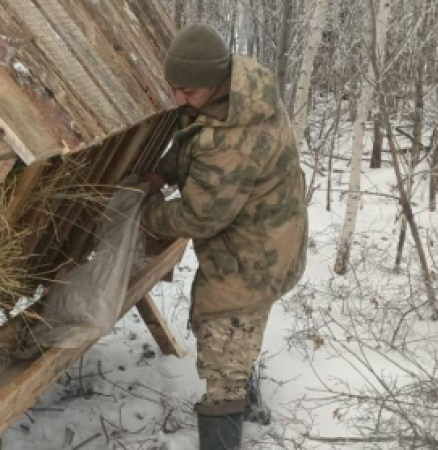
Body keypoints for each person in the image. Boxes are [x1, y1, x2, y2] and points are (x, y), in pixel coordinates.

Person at [141, 23, 309, 450]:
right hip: (269, 236)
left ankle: (227, 423)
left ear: (214, 82)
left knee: (224, 337)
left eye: (188, 92)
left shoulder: (236, 137)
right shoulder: (233, 93)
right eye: (174, 88)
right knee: (237, 330)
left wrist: (147, 215)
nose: (179, 99)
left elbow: (199, 216)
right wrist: (163, 170)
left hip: (253, 255)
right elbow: (193, 134)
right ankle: (247, 401)